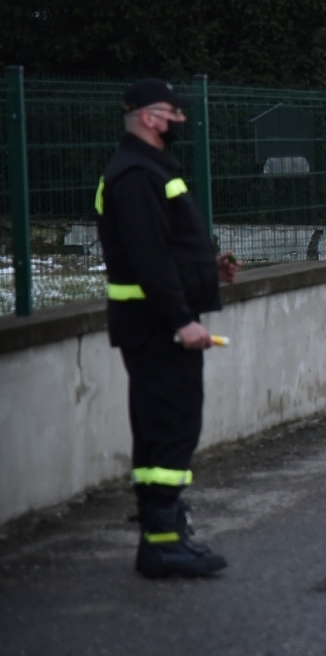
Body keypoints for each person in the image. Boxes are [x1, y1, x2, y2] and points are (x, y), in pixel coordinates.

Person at [96, 78, 238, 579]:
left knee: (162, 427)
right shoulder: (136, 174)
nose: (182, 120)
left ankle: (166, 534)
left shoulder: (148, 168)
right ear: (150, 117)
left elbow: (164, 250)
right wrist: (181, 320)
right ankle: (162, 542)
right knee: (171, 427)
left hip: (153, 324)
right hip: (156, 327)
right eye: (175, 113)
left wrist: (206, 272)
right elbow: (148, 259)